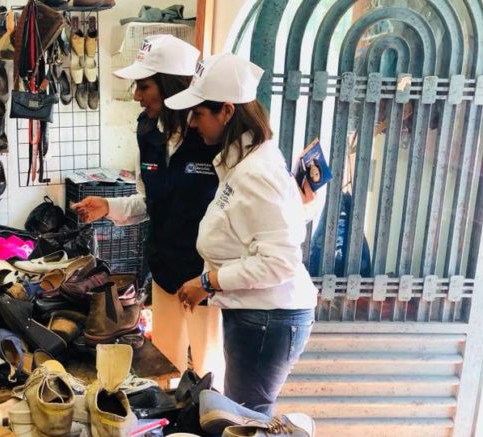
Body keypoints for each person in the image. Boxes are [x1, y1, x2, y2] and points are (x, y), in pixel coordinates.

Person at [166, 53, 318, 416]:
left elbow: (280, 261)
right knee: (243, 415)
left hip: (268, 320)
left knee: (246, 421)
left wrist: (209, 281)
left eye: (199, 113)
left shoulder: (256, 172)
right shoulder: (244, 163)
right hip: (258, 317)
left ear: (227, 111)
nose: (192, 123)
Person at [71, 35, 225, 387]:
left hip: (207, 275)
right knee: (163, 364)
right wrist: (109, 206)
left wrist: (212, 279)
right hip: (164, 267)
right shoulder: (147, 131)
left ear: (172, 86)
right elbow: (152, 200)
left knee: (209, 371)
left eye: (144, 86)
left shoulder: (213, 136)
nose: (136, 96)